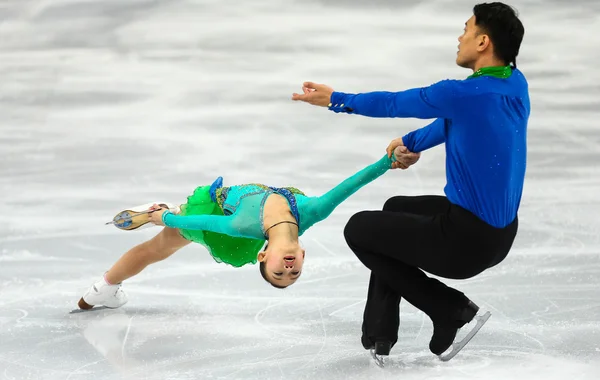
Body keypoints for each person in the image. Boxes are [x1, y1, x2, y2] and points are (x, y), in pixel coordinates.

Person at [291, 2, 528, 362]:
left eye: (466, 29)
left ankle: (450, 309)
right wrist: (410, 144)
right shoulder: (513, 83)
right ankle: (380, 333)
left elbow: (393, 103)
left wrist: (336, 100)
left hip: (465, 243)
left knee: (358, 228)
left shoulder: (462, 94)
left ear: (483, 42)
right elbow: (456, 121)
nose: (460, 36)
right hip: (498, 234)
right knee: (395, 209)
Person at [77, 151, 417, 310]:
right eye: (294, 272)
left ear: (263, 255)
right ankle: (104, 288)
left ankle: (101, 288)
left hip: (213, 213)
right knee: (158, 248)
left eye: (279, 273)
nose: (288, 270)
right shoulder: (313, 211)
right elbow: (352, 184)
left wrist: (165, 217)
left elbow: (204, 223)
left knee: (159, 248)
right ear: (302, 255)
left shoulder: (242, 225)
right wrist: (391, 160)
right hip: (226, 216)